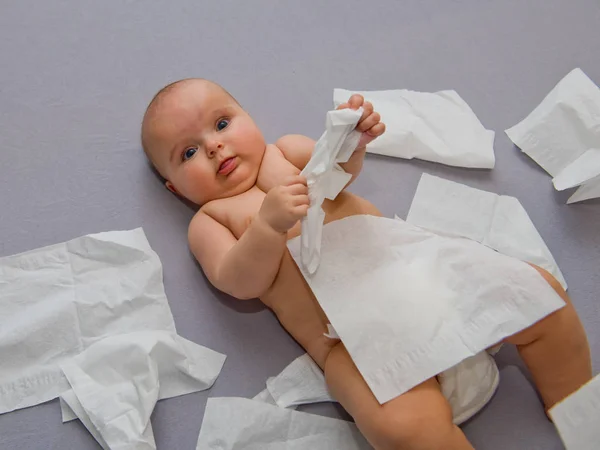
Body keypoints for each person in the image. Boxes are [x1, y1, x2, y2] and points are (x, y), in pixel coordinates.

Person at [141, 78, 591, 450]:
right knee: (401, 429)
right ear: (174, 189)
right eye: (189, 153)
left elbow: (338, 174)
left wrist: (352, 140)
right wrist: (266, 228)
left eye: (221, 123)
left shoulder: (286, 152)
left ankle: (581, 415)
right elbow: (239, 281)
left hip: (416, 272)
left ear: (248, 116)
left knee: (540, 294)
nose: (216, 147)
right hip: (351, 344)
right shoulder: (210, 220)